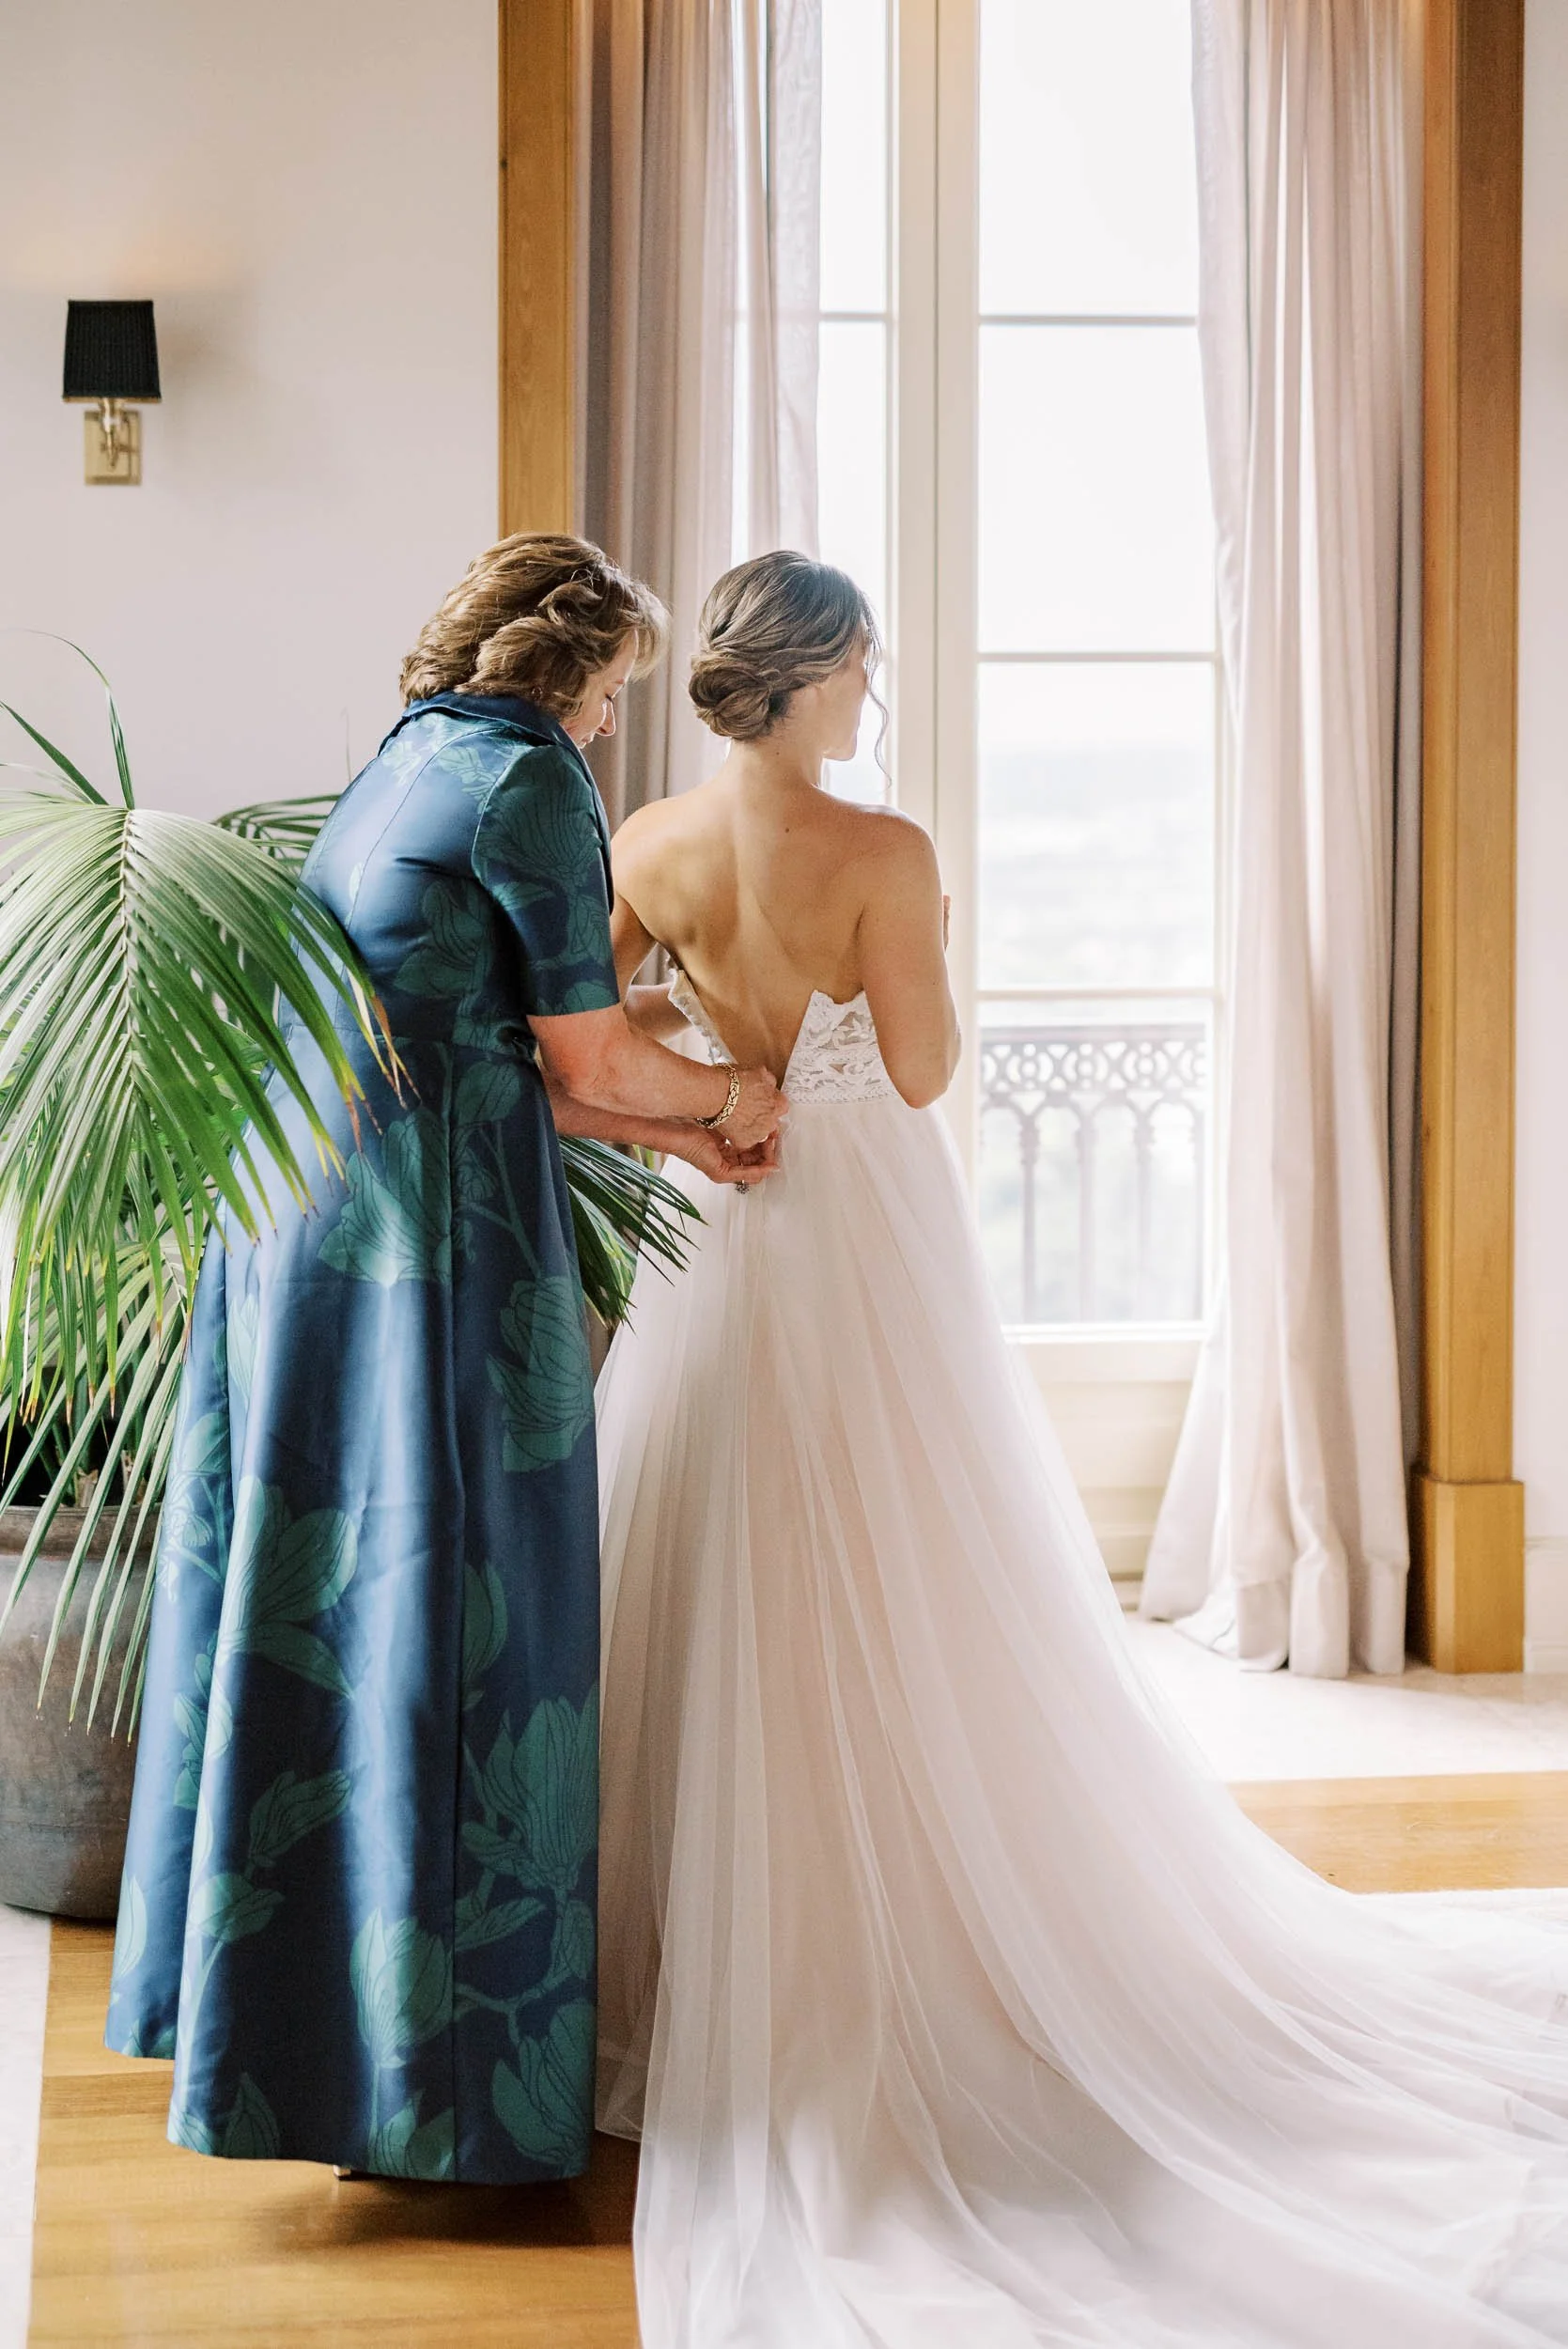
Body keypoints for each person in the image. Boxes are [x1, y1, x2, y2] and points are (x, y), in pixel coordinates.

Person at [595, 549, 1568, 2346]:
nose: (871, 699)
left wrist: (716, 1086)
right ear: (810, 681)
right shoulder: (882, 855)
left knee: (703, 1560)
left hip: (719, 1244)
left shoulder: (644, 839)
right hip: (867, 1248)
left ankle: (684, 1974)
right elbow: (918, 1068)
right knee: (910, 1573)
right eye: (864, 670)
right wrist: (928, 960)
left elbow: (599, 1039)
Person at [106, 534, 783, 2185]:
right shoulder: (533, 781)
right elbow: (591, 1043)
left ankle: (324, 2054)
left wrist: (678, 1147)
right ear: (571, 673)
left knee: (338, 1611)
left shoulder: (406, 757)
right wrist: (732, 1099)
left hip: (309, 1226)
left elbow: (484, 1039)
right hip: (434, 1248)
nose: (618, 725)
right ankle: (451, 2089)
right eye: (618, 690)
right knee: (465, 1606)